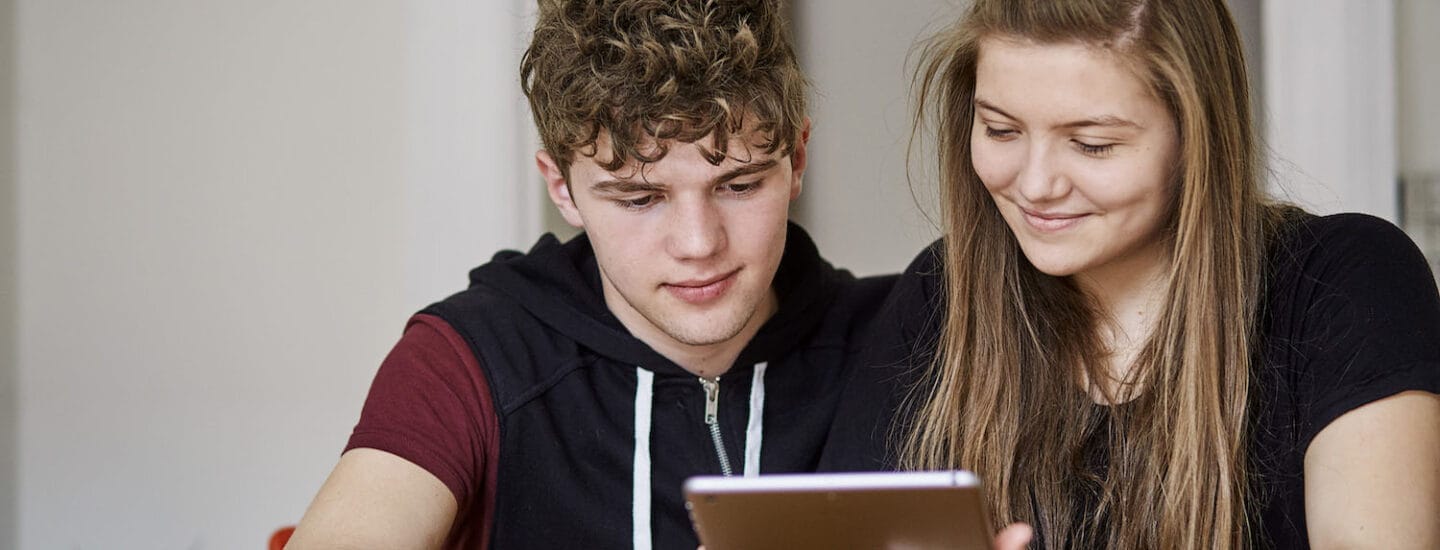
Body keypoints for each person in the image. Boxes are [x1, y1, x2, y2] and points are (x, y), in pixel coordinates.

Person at [822, 0, 1440, 548]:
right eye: (1001, 130)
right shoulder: (942, 294)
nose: (1035, 184)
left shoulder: (1345, 282)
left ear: (1196, 135)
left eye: (1092, 144)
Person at [286, 1, 894, 548]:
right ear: (563, 189)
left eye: (738, 185)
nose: (698, 244)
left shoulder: (897, 342)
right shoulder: (472, 355)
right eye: (638, 198)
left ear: (797, 161)